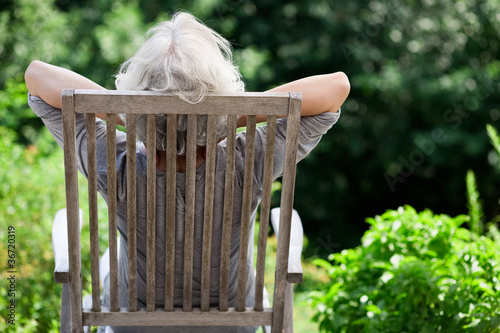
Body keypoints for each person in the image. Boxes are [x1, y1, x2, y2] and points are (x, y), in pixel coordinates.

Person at [25, 11, 349, 333]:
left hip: (132, 327)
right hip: (232, 327)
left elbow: (37, 76)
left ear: (139, 93)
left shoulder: (116, 162)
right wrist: (227, 117)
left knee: (111, 257)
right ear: (220, 91)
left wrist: (132, 114)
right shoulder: (247, 161)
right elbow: (336, 87)